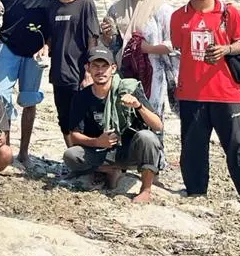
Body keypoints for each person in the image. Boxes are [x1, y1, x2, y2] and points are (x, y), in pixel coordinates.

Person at [170, 0, 240, 213]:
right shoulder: (178, 16)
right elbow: (178, 47)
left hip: (226, 92)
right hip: (191, 93)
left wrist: (226, 49)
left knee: (238, 145)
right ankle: (196, 191)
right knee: (193, 146)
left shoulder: (228, 13)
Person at [0, 0, 66, 164]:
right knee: (2, 97)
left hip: (36, 49)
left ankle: (23, 152)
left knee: (29, 100)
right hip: (7, 46)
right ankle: (7, 150)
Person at [62, 48, 164, 203]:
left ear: (113, 69)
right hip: (101, 152)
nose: (100, 71)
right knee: (71, 155)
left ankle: (146, 189)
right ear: (87, 68)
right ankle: (111, 171)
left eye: (105, 66)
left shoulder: (128, 89)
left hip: (129, 150)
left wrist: (138, 106)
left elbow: (158, 126)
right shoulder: (81, 97)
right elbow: (74, 135)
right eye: (96, 66)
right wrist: (97, 142)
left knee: (147, 137)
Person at [100, 0, 179, 119]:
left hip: (154, 73)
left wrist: (147, 48)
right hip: (123, 71)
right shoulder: (116, 9)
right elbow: (113, 45)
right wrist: (107, 35)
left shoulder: (162, 10)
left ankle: (154, 143)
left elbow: (175, 45)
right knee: (124, 114)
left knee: (151, 115)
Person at [43, 0, 101, 145]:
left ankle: (89, 161)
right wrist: (45, 47)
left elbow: (93, 37)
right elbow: (51, 35)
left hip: (80, 70)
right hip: (59, 70)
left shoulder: (85, 2)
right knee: (64, 118)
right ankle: (72, 158)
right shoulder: (52, 6)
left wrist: (90, 71)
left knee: (85, 119)